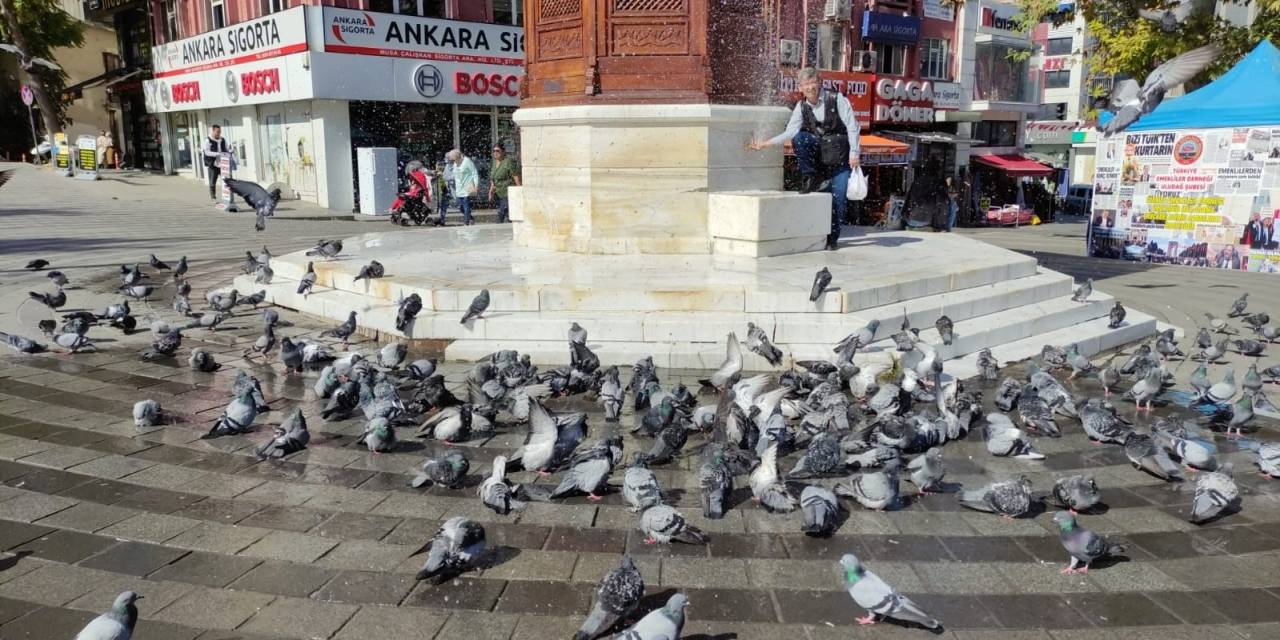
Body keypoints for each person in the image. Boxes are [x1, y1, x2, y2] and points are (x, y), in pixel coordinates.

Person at [750, 66, 860, 250]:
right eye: (805, 84)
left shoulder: (836, 98)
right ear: (800, 87)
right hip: (820, 159)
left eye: (813, 82)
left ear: (820, 82)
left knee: (838, 200)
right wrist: (765, 143)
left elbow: (852, 126)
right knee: (800, 138)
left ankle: (832, 239)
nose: (810, 87)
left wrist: (854, 153)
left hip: (839, 159)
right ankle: (811, 176)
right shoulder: (801, 106)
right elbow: (790, 131)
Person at [488, 143, 521, 223]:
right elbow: (494, 179)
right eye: (494, 151)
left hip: (507, 192)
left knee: (503, 211)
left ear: (503, 152)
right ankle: (509, 227)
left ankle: (498, 226)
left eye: (497, 151)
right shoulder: (494, 163)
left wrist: (520, 189)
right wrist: (490, 192)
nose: (495, 153)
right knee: (507, 213)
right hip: (498, 193)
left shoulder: (508, 162)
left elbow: (515, 176)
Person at [446, 149, 479, 226]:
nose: (452, 161)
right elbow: (455, 176)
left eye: (453, 159)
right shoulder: (455, 163)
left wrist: (476, 185)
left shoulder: (467, 161)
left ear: (457, 157)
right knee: (461, 208)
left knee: (466, 206)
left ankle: (466, 222)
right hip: (459, 190)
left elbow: (474, 173)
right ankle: (470, 218)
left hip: (467, 188)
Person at [202, 125, 229, 200]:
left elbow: (226, 149)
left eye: (220, 132)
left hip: (223, 164)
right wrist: (217, 154)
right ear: (213, 131)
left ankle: (227, 197)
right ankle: (213, 197)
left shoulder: (223, 140)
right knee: (212, 182)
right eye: (217, 132)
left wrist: (230, 151)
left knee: (226, 181)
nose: (219, 133)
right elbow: (207, 152)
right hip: (213, 164)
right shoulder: (208, 140)